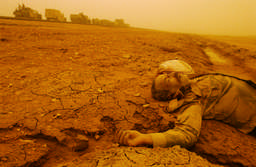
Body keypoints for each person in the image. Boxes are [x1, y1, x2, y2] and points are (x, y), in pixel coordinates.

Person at [116, 61, 256, 148]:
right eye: (166, 80)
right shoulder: (192, 101)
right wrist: (145, 138)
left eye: (168, 74)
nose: (171, 75)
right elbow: (187, 135)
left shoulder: (190, 82)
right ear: (173, 94)